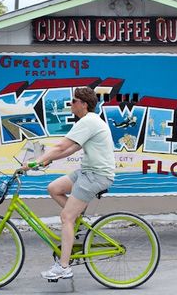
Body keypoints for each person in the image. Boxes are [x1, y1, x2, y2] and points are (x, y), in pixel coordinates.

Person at [24, 87, 115, 280]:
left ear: (83, 104)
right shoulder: (89, 121)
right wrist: (47, 160)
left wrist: (36, 161)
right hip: (87, 172)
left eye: (74, 101)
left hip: (96, 175)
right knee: (54, 188)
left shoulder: (89, 121)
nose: (70, 104)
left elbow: (61, 146)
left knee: (66, 217)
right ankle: (77, 221)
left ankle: (63, 267)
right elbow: (71, 148)